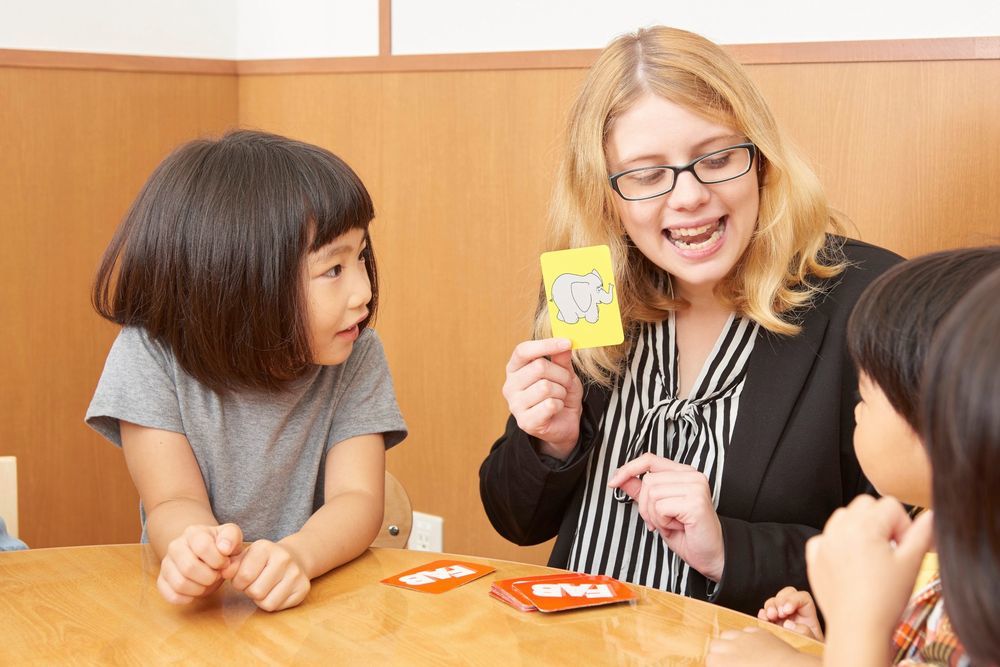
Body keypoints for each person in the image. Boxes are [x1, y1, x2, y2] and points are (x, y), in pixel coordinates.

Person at [479, 25, 902, 614]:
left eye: (718, 157)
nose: (688, 197)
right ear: (607, 196)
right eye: (647, 174)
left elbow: (906, 556)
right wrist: (551, 443)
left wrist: (730, 548)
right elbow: (516, 520)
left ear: (761, 161)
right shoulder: (589, 289)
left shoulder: (870, 301)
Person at [85, 130, 407, 612]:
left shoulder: (357, 353)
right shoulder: (147, 356)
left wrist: (298, 556)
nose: (362, 290)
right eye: (333, 270)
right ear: (243, 278)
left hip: (320, 601)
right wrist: (193, 550)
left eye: (359, 256)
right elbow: (171, 501)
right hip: (201, 615)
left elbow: (358, 499)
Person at [706, 247, 1000, 666]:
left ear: (952, 423)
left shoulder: (981, 601)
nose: (856, 409)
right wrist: (839, 642)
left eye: (866, 393)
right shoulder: (944, 553)